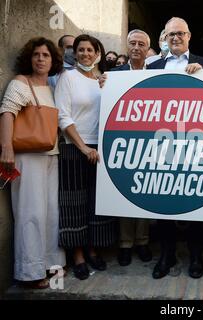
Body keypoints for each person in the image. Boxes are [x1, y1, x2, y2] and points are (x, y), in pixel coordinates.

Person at [148, 17, 203, 280]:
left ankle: (196, 255)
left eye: (180, 33)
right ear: (164, 37)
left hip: (195, 143)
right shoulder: (153, 67)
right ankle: (167, 254)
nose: (175, 37)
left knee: (195, 201)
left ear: (189, 36)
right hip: (162, 144)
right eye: (171, 34)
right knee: (164, 201)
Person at [0, 37, 66, 289]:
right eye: (36, 54)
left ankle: (48, 264)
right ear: (29, 58)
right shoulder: (21, 82)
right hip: (26, 157)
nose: (41, 59)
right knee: (30, 214)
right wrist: (6, 148)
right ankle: (29, 273)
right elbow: (7, 112)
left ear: (53, 60)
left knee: (49, 212)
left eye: (46, 55)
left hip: (50, 155)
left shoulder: (50, 87)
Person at [55, 34, 116, 281]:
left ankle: (92, 249)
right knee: (74, 203)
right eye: (81, 50)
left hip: (100, 148)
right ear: (75, 53)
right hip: (74, 148)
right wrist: (83, 148)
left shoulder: (104, 80)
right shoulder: (67, 78)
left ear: (98, 53)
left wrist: (107, 86)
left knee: (95, 202)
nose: (85, 54)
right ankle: (78, 255)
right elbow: (63, 117)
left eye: (90, 50)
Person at [108, 29, 153, 266]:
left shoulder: (158, 72)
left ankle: (142, 241)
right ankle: (125, 244)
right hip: (123, 140)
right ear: (127, 46)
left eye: (141, 44)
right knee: (125, 190)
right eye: (132, 43)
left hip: (151, 141)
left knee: (145, 191)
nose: (136, 47)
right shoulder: (112, 74)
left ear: (148, 48)